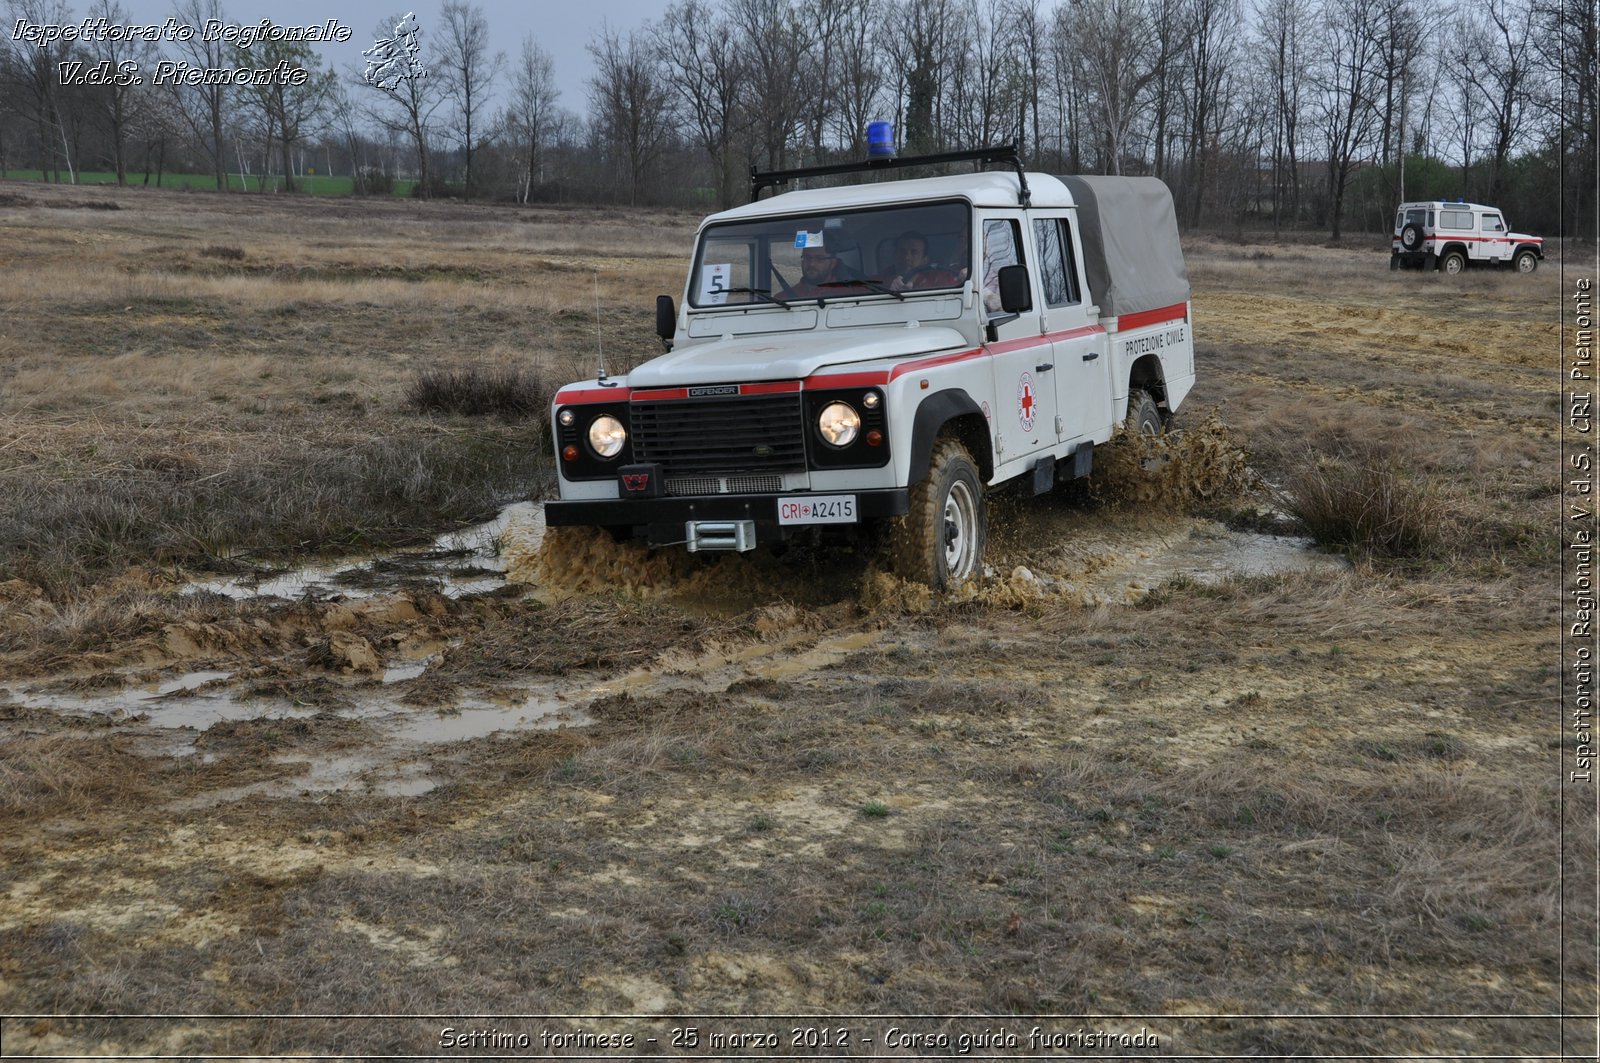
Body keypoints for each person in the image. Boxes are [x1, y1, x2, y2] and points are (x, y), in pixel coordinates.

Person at [887, 230, 958, 291]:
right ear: (895, 255)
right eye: (902, 251)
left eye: (914, 253)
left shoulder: (938, 281)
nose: (907, 257)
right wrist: (890, 293)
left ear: (924, 260)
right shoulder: (881, 282)